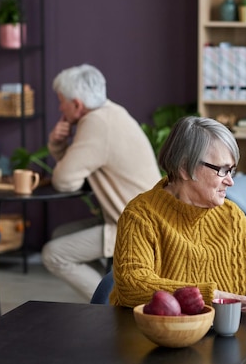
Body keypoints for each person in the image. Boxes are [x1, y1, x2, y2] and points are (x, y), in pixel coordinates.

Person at [109, 116, 246, 314]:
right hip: (155, 336)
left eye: (232, 170)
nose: (230, 181)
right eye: (222, 170)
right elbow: (132, 286)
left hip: (223, 334)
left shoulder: (232, 216)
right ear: (185, 168)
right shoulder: (140, 215)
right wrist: (212, 296)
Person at [41, 63, 161, 301]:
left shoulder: (97, 123)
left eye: (61, 100)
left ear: (77, 104)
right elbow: (73, 174)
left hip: (135, 228)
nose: (59, 107)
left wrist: (57, 147)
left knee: (53, 254)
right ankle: (113, 290)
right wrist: (58, 145)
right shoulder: (111, 112)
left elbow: (66, 181)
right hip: (140, 219)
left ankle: (112, 302)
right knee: (60, 234)